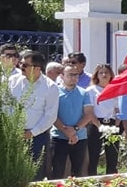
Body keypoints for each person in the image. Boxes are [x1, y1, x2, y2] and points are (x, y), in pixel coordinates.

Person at [9, 51, 60, 180]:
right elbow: (6, 106)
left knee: (35, 173)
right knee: (12, 170)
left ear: (37, 68)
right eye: (21, 64)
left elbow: (50, 115)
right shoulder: (13, 81)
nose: (21, 67)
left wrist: (32, 132)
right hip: (13, 133)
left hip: (37, 136)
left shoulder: (50, 87)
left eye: (25, 65)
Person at [50, 63, 95, 179]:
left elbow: (88, 114)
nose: (74, 78)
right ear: (62, 76)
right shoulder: (55, 92)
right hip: (59, 137)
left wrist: (75, 129)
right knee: (58, 170)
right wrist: (66, 131)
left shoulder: (83, 93)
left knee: (79, 171)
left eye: (76, 75)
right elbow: (52, 115)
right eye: (70, 75)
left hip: (79, 136)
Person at [87, 64, 119, 176]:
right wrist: (99, 125)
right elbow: (89, 111)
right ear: (97, 75)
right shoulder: (91, 90)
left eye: (106, 72)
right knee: (93, 154)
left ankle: (112, 179)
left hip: (111, 124)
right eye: (101, 73)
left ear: (111, 75)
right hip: (96, 124)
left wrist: (116, 125)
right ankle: (91, 178)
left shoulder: (115, 89)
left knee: (112, 154)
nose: (104, 75)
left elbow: (117, 110)